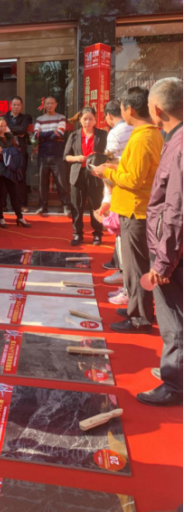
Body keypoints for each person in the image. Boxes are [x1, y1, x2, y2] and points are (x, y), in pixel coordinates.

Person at [92, 87, 163, 334]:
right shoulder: (146, 134)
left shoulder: (143, 137)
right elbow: (135, 169)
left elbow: (133, 179)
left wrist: (107, 172)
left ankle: (140, 317)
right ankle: (137, 307)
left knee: (136, 267)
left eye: (122, 108)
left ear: (129, 109)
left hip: (136, 211)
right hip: (136, 208)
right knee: (134, 267)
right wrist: (115, 167)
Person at [137, 78, 184, 407]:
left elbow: (176, 208)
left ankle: (175, 381)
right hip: (174, 245)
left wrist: (164, 261)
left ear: (156, 109)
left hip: (174, 250)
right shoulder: (175, 139)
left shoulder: (178, 145)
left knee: (173, 318)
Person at [97, 100, 134, 303]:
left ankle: (128, 291)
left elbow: (110, 165)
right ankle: (127, 286)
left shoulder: (116, 133)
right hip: (134, 194)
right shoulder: (140, 131)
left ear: (109, 116)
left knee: (124, 245)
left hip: (121, 191)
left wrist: (107, 195)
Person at [64, 106, 108, 246]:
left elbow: (109, 154)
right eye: (85, 119)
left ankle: (97, 234)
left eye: (90, 119)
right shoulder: (74, 135)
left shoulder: (103, 135)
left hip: (95, 174)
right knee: (77, 206)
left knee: (96, 204)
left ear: (95, 120)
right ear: (80, 120)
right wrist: (77, 158)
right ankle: (77, 234)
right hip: (78, 174)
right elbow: (66, 156)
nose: (87, 122)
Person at [0, 117, 31, 229]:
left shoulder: (10, 136)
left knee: (14, 193)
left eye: (4, 125)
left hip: (10, 169)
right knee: (0, 194)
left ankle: (20, 217)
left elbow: (17, 150)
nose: (3, 128)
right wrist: (9, 153)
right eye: (0, 126)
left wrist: (4, 152)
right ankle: (1, 218)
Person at [34, 95, 71, 216]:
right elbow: (36, 135)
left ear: (56, 104)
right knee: (42, 182)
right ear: (44, 105)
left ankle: (66, 206)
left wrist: (44, 135)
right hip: (43, 154)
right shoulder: (39, 119)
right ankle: (42, 206)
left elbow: (60, 133)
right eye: (47, 103)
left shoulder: (61, 117)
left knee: (61, 181)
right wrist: (52, 133)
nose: (49, 105)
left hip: (58, 153)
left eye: (51, 103)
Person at [4, 96, 32, 208]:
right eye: (14, 104)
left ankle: (22, 204)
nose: (16, 107)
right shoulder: (4, 117)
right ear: (10, 105)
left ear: (21, 106)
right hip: (6, 151)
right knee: (5, 177)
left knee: (20, 177)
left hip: (20, 152)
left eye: (18, 105)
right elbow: (2, 130)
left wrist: (8, 129)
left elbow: (22, 129)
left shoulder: (25, 117)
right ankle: (3, 205)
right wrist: (17, 131)